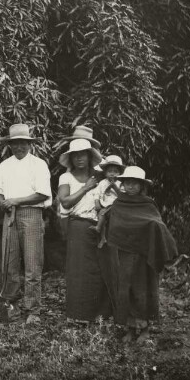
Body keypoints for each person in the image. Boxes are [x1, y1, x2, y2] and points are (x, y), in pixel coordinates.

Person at [100, 166, 178, 343]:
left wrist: (152, 230)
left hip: (145, 254)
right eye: (127, 183)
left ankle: (145, 329)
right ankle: (130, 328)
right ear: (123, 184)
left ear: (142, 186)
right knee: (126, 288)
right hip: (125, 253)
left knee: (144, 289)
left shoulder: (148, 204)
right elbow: (116, 226)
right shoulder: (118, 203)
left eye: (135, 183)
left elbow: (156, 223)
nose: (130, 186)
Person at [0, 123, 52, 325]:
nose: (19, 147)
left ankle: (33, 309)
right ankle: (12, 304)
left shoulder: (38, 164)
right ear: (10, 145)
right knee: (9, 262)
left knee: (32, 264)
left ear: (29, 144)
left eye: (23, 143)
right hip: (9, 214)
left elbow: (43, 193)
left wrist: (16, 201)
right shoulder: (5, 165)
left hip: (31, 214)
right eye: (15, 143)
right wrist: (3, 202)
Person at [58, 137, 112, 323]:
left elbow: (112, 188)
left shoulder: (99, 176)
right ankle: (77, 315)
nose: (80, 159)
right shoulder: (66, 177)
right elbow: (65, 201)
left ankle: (99, 314)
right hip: (78, 226)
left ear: (90, 157)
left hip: (100, 225)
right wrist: (86, 187)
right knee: (78, 271)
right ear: (71, 159)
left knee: (98, 269)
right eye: (75, 156)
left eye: (83, 155)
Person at [90, 154, 125, 247]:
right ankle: (103, 238)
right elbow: (96, 192)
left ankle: (98, 228)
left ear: (120, 173)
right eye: (110, 171)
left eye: (115, 171)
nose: (112, 174)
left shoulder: (121, 184)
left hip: (116, 206)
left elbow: (123, 196)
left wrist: (114, 187)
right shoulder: (102, 182)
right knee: (101, 215)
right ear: (105, 173)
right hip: (104, 205)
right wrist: (97, 202)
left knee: (103, 214)